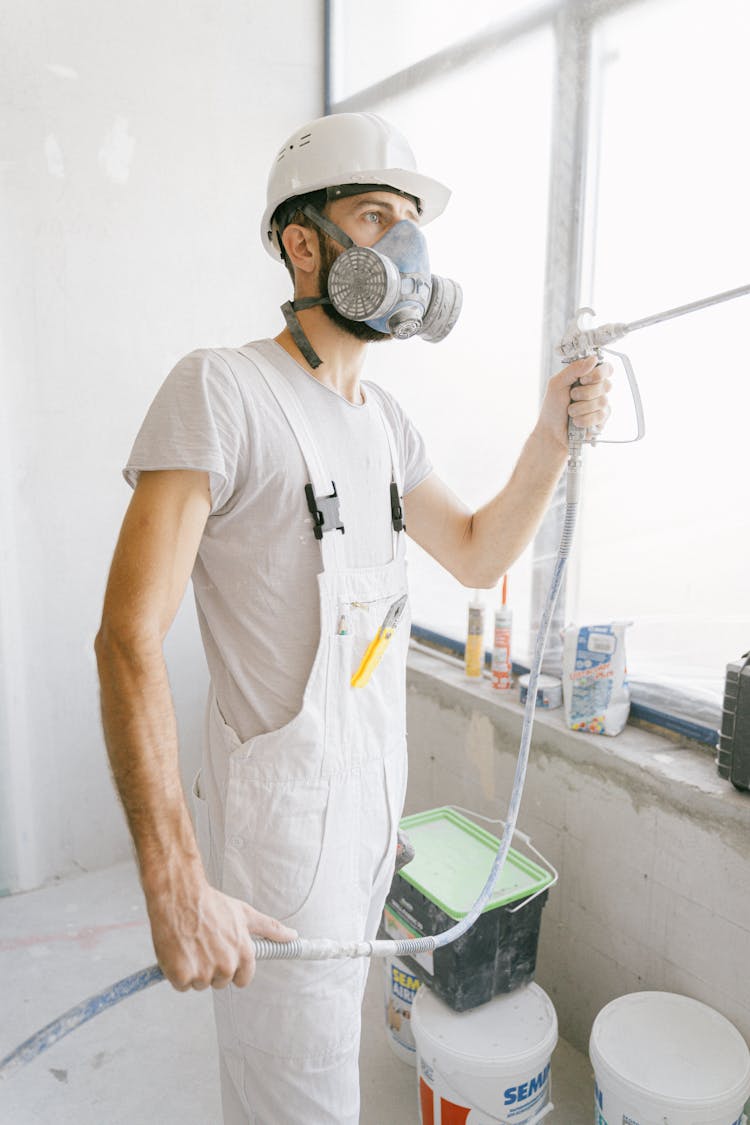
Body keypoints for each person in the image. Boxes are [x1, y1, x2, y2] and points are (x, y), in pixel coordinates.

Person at [95, 111, 610, 1124]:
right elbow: (126, 637)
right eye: (377, 217)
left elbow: (475, 550)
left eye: (410, 222)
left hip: (372, 827)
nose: (406, 249)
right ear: (303, 242)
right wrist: (174, 884)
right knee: (302, 1100)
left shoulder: (385, 424)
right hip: (278, 851)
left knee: (330, 1065)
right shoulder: (224, 391)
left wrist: (551, 432)